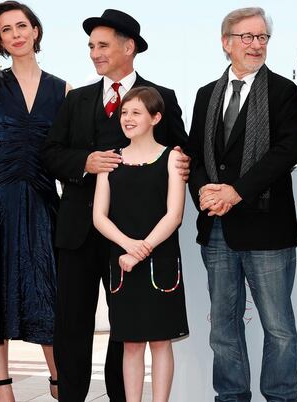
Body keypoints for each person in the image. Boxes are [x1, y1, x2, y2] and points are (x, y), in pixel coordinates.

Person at [42, 9, 189, 402]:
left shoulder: (163, 97)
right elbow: (51, 154)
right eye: (91, 46)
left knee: (126, 328)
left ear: (129, 48)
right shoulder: (76, 100)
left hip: (133, 240)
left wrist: (184, 164)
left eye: (102, 45)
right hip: (78, 230)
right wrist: (84, 162)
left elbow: (180, 151)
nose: (94, 53)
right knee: (72, 322)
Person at [187, 7, 297, 402]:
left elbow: (287, 150)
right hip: (217, 228)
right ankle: (231, 397)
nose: (256, 45)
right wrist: (207, 193)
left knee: (278, 328)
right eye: (247, 37)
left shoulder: (284, 92)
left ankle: (282, 397)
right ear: (227, 43)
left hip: (267, 227)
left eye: (262, 38)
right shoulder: (206, 94)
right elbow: (197, 157)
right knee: (223, 326)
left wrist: (235, 192)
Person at [0, 0, 68, 401]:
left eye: (23, 26)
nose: (17, 34)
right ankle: (3, 385)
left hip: (40, 195)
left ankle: (58, 378)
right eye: (7, 30)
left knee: (44, 286)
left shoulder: (63, 89)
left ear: (35, 31)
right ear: (0, 39)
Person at [93, 87, 189, 402]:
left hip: (159, 263)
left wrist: (142, 250)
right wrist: (128, 247)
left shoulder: (173, 157)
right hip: (122, 266)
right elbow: (99, 217)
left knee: (161, 342)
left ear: (155, 117)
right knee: (131, 344)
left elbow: (174, 215)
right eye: (124, 113)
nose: (128, 119)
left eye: (136, 112)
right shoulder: (110, 160)